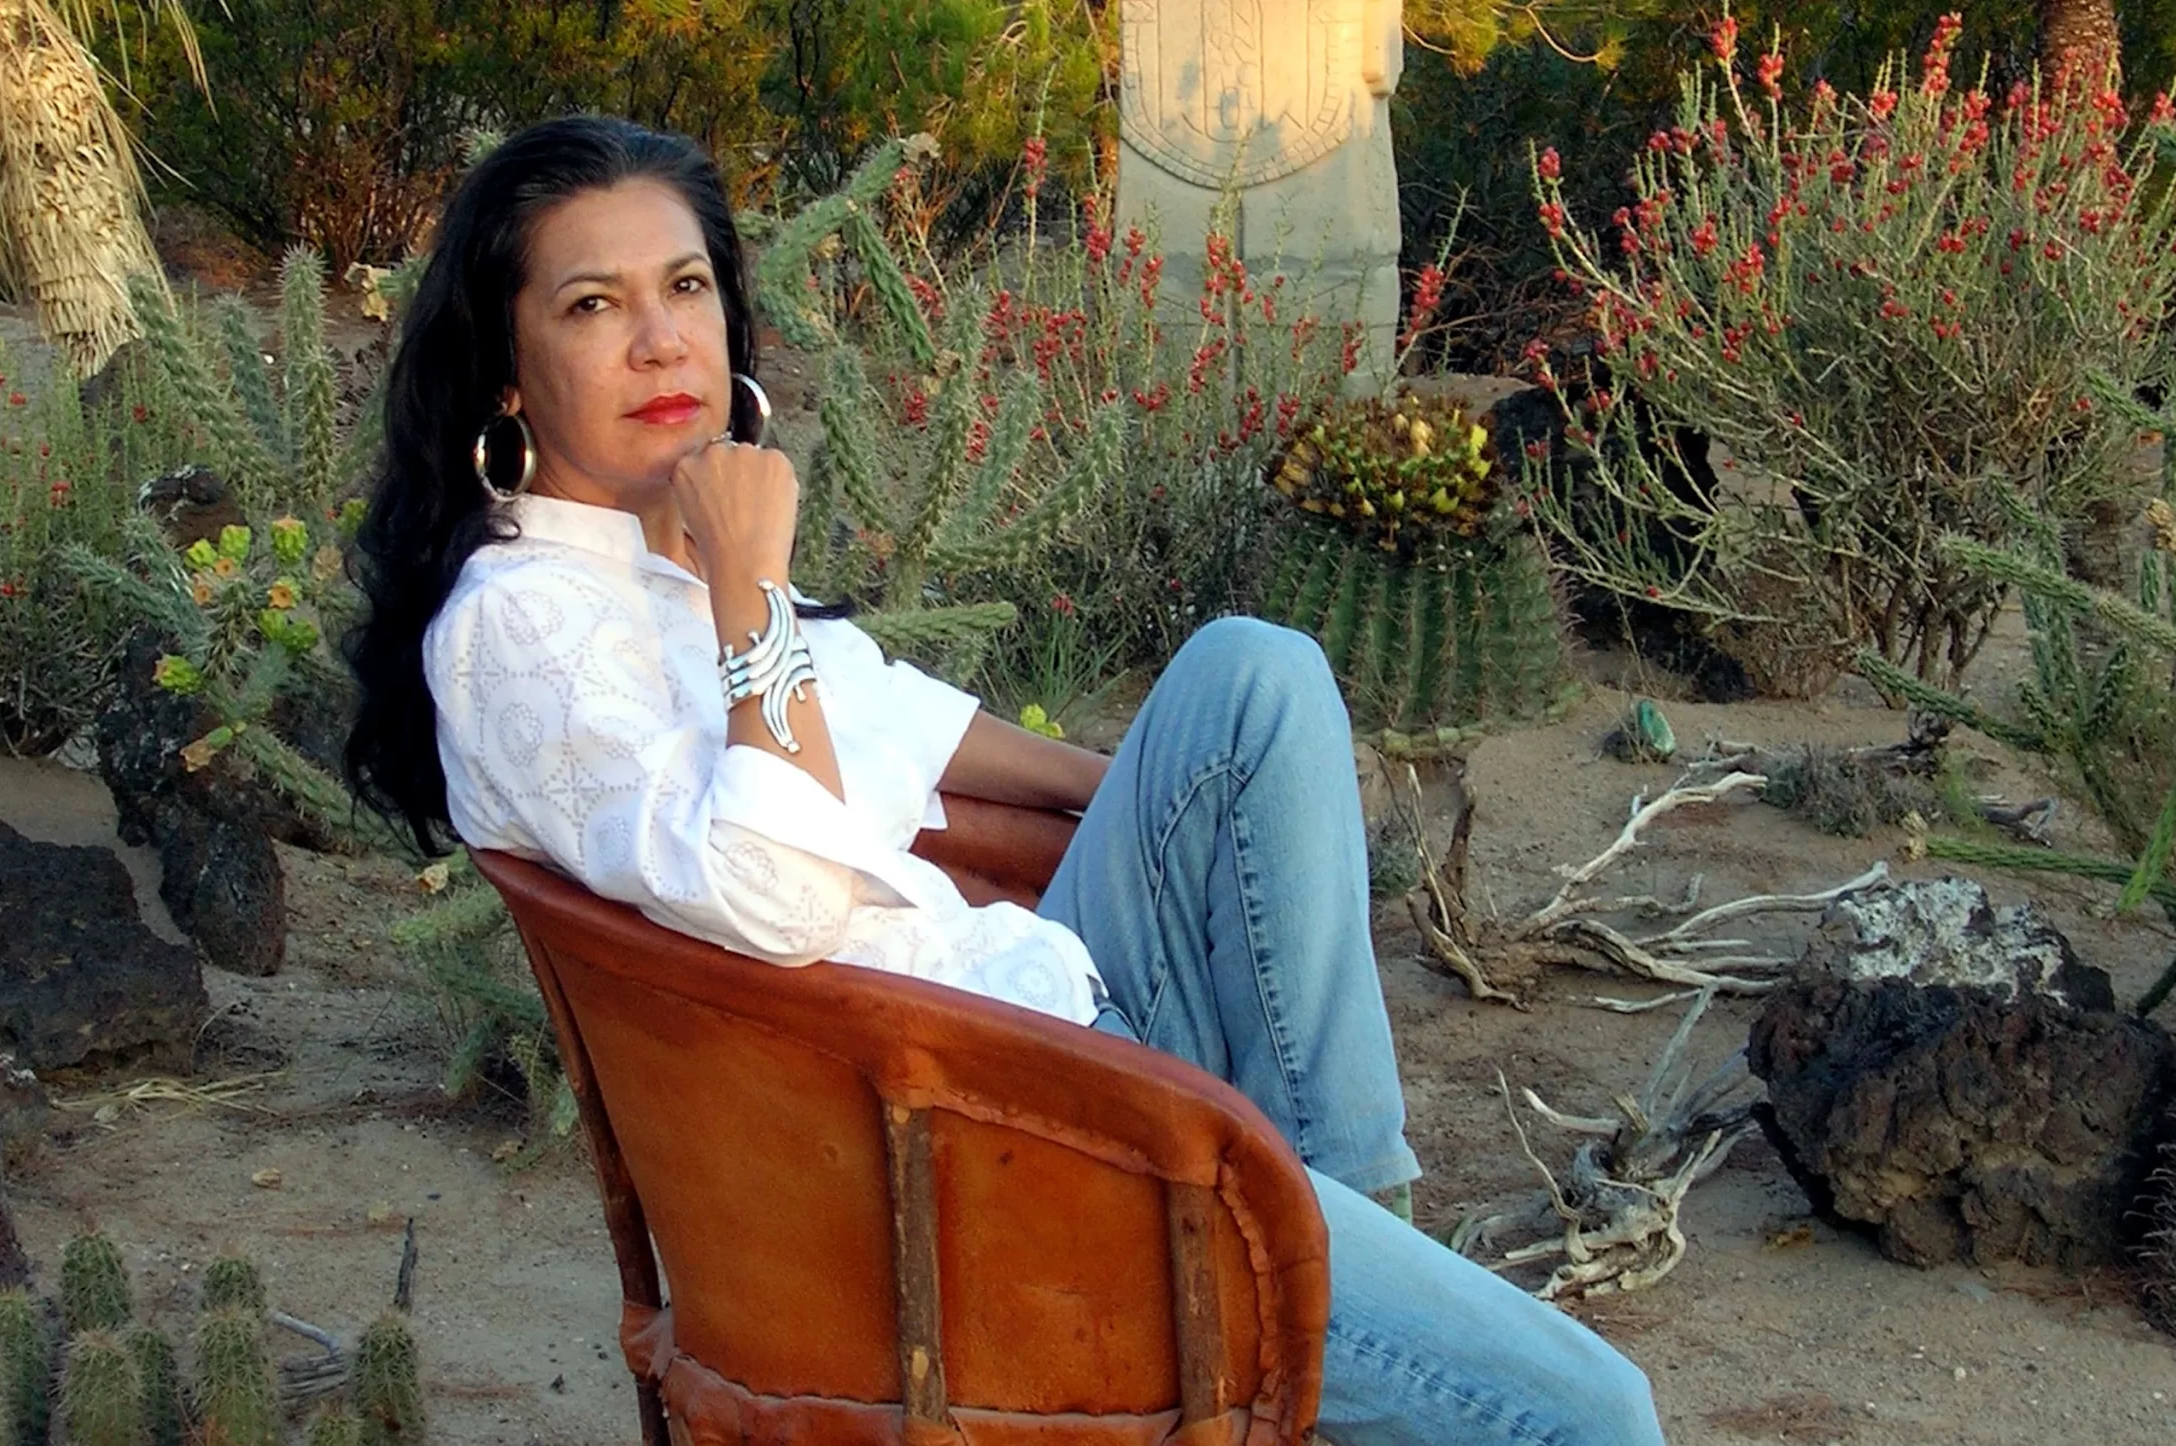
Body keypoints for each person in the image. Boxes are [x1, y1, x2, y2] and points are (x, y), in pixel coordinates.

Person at [342, 115, 1664, 1446]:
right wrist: (750, 591)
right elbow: (778, 894)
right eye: (592, 304)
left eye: (685, 288)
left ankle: (1334, 1260)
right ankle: (1321, 1292)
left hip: (1020, 1026)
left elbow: (887, 714)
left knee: (1252, 678)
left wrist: (1155, 790)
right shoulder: (530, 624)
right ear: (505, 370)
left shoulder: (662, 543)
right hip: (953, 1161)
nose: (662, 340)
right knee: (1596, 1414)